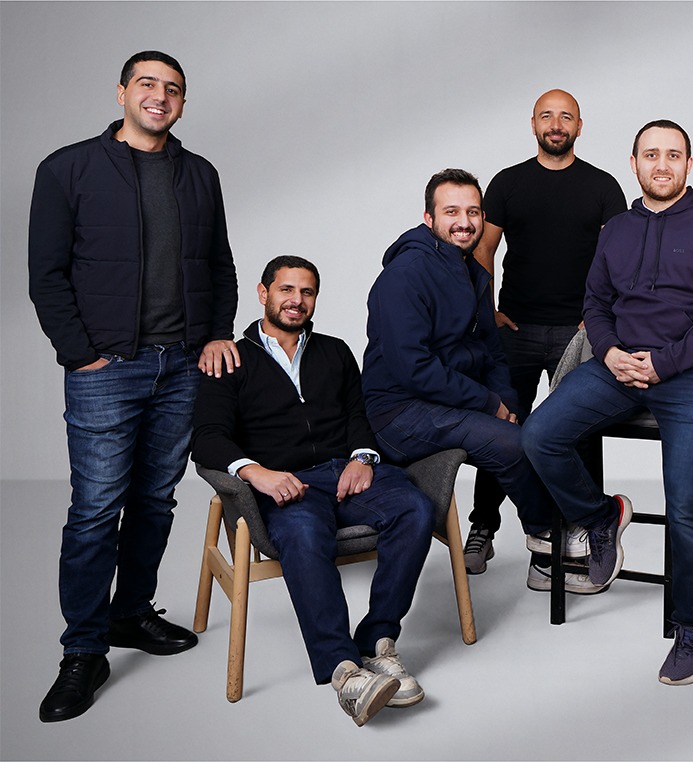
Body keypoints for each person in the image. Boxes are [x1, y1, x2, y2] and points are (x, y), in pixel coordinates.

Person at [29, 51, 239, 723]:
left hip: (181, 367)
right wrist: (81, 355)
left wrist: (216, 333)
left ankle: (130, 612)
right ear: (122, 92)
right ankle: (83, 651)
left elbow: (220, 263)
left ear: (182, 103)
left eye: (173, 88)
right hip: (107, 369)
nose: (159, 96)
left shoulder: (199, 174)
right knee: (95, 510)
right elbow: (46, 273)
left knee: (154, 500)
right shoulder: (68, 169)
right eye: (147, 84)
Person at [523, 120, 693, 685]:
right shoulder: (618, 229)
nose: (662, 164)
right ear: (634, 163)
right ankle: (601, 516)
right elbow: (595, 303)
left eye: (673, 155)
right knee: (538, 435)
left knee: (687, 499)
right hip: (618, 367)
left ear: (689, 164)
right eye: (651, 155)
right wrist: (610, 351)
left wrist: (664, 362)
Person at [192, 257, 433, 727]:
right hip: (286, 484)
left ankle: (378, 641)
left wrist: (363, 457)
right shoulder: (230, 358)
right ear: (263, 293)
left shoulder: (335, 352)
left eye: (306, 292)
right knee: (303, 535)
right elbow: (207, 437)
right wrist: (257, 473)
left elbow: (358, 415)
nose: (296, 300)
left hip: (344, 474)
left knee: (415, 509)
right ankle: (345, 672)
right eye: (286, 289)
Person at [361, 169, 563, 591]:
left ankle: (551, 539)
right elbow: (412, 367)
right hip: (399, 411)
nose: (464, 222)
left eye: (473, 212)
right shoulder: (406, 274)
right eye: (451, 211)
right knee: (513, 444)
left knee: (531, 433)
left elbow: (492, 351)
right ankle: (551, 543)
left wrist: (506, 403)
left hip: (445, 402)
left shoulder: (472, 271)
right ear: (428, 218)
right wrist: (488, 404)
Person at [466, 89, 627, 574]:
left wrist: (596, 315)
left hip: (577, 332)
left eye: (565, 117)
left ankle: (588, 529)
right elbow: (483, 249)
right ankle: (483, 525)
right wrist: (488, 310)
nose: (556, 124)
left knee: (578, 432)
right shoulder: (508, 182)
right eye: (547, 116)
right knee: (500, 429)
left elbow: (616, 261)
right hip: (515, 328)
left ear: (579, 126)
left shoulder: (602, 186)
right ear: (533, 123)